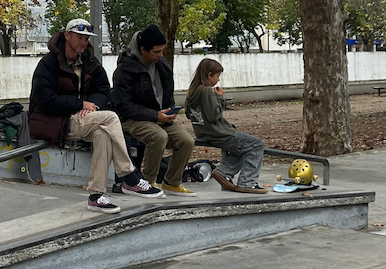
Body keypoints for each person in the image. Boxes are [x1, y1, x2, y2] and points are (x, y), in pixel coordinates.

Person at [29, 19, 164, 214]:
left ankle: (95, 196)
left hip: (83, 118)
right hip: (54, 121)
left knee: (103, 134)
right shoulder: (48, 63)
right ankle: (129, 176)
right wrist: (80, 104)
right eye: (79, 37)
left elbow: (103, 88)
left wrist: (92, 105)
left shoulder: (89, 60)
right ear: (67, 35)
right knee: (110, 118)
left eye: (86, 39)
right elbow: (44, 100)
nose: (84, 43)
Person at [112, 25, 197, 196]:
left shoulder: (161, 63)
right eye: (156, 52)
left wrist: (168, 110)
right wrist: (154, 116)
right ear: (143, 50)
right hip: (130, 119)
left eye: (162, 51)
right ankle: (147, 182)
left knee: (186, 141)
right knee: (158, 137)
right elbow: (123, 105)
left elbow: (166, 89)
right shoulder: (125, 70)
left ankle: (172, 182)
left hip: (159, 116)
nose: (160, 55)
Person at [185, 59, 269, 194]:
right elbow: (213, 116)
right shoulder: (207, 91)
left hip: (203, 132)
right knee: (256, 144)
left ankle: (224, 173)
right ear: (209, 75)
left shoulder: (192, 91)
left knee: (244, 148)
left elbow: (189, 115)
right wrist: (219, 98)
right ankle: (247, 182)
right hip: (219, 133)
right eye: (217, 76)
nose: (218, 80)